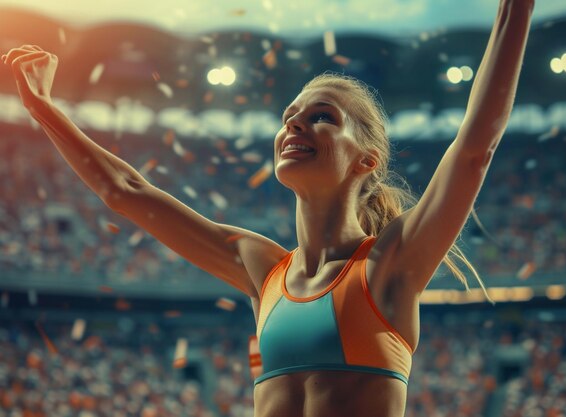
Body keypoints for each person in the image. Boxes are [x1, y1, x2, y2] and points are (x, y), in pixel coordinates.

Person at [2, 0, 534, 415]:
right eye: (289, 115)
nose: (294, 125)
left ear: (366, 160)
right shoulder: (263, 268)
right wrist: (45, 109)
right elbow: (127, 193)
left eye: (321, 116)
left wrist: (517, 9)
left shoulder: (389, 265)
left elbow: (473, 150)